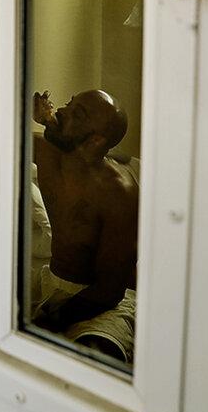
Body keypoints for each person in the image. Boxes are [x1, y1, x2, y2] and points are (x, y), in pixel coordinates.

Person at [30, 89, 138, 333]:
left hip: (99, 302)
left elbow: (109, 291)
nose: (60, 111)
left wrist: (52, 320)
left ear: (95, 141)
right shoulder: (45, 151)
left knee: (95, 348)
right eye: (69, 103)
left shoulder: (120, 194)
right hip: (53, 282)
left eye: (76, 114)